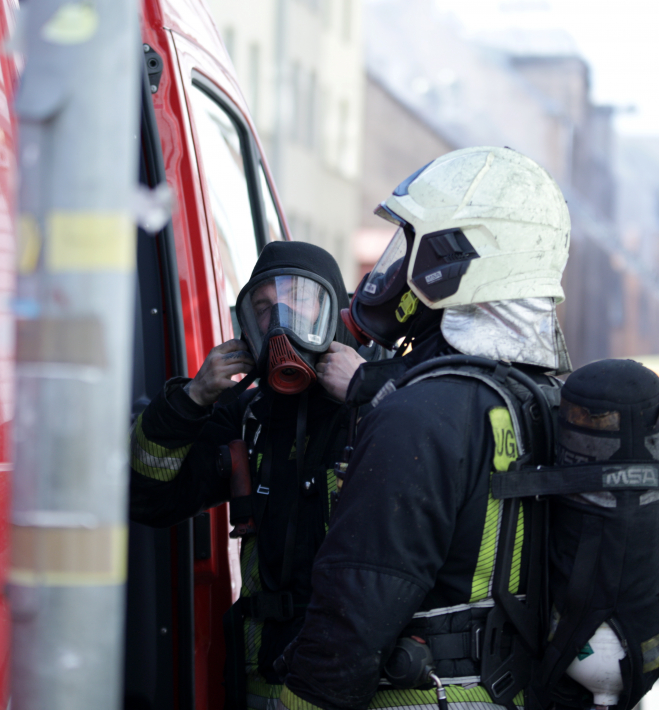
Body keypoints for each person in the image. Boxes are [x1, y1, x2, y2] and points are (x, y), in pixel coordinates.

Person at [276, 146, 574, 710]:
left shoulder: (420, 414)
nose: (391, 272)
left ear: (451, 259)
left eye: (409, 246)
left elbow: (354, 612)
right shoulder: (548, 403)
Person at [129, 240, 368, 710]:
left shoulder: (377, 406)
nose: (278, 318)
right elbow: (150, 500)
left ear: (334, 311)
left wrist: (369, 392)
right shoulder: (248, 416)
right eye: (263, 306)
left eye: (298, 299)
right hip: (264, 681)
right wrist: (190, 400)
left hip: (350, 685)